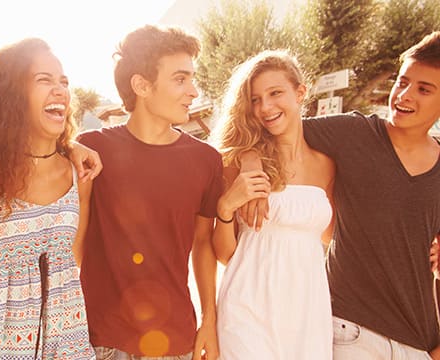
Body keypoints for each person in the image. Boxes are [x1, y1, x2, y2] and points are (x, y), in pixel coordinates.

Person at [243, 32, 440, 359]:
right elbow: (269, 131)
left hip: (420, 343)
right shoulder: (354, 133)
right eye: (402, 82)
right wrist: (252, 171)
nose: (404, 95)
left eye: (423, 89)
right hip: (350, 331)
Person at [0, 38, 95, 360]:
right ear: (12, 96)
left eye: (63, 81)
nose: (60, 90)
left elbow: (74, 261)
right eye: (44, 80)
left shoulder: (78, 172)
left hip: (65, 343)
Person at [76, 25, 223, 359]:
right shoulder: (92, 150)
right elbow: (72, 238)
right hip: (100, 341)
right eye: (180, 79)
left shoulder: (206, 160)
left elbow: (203, 245)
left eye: (192, 79)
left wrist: (209, 322)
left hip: (176, 341)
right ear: (142, 85)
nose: (194, 91)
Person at [211, 50, 335, 359]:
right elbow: (226, 254)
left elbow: (333, 239)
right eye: (255, 99)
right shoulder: (239, 161)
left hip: (308, 311)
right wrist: (226, 208)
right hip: (247, 308)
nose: (265, 107)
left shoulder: (327, 165)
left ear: (300, 92)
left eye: (275, 93)